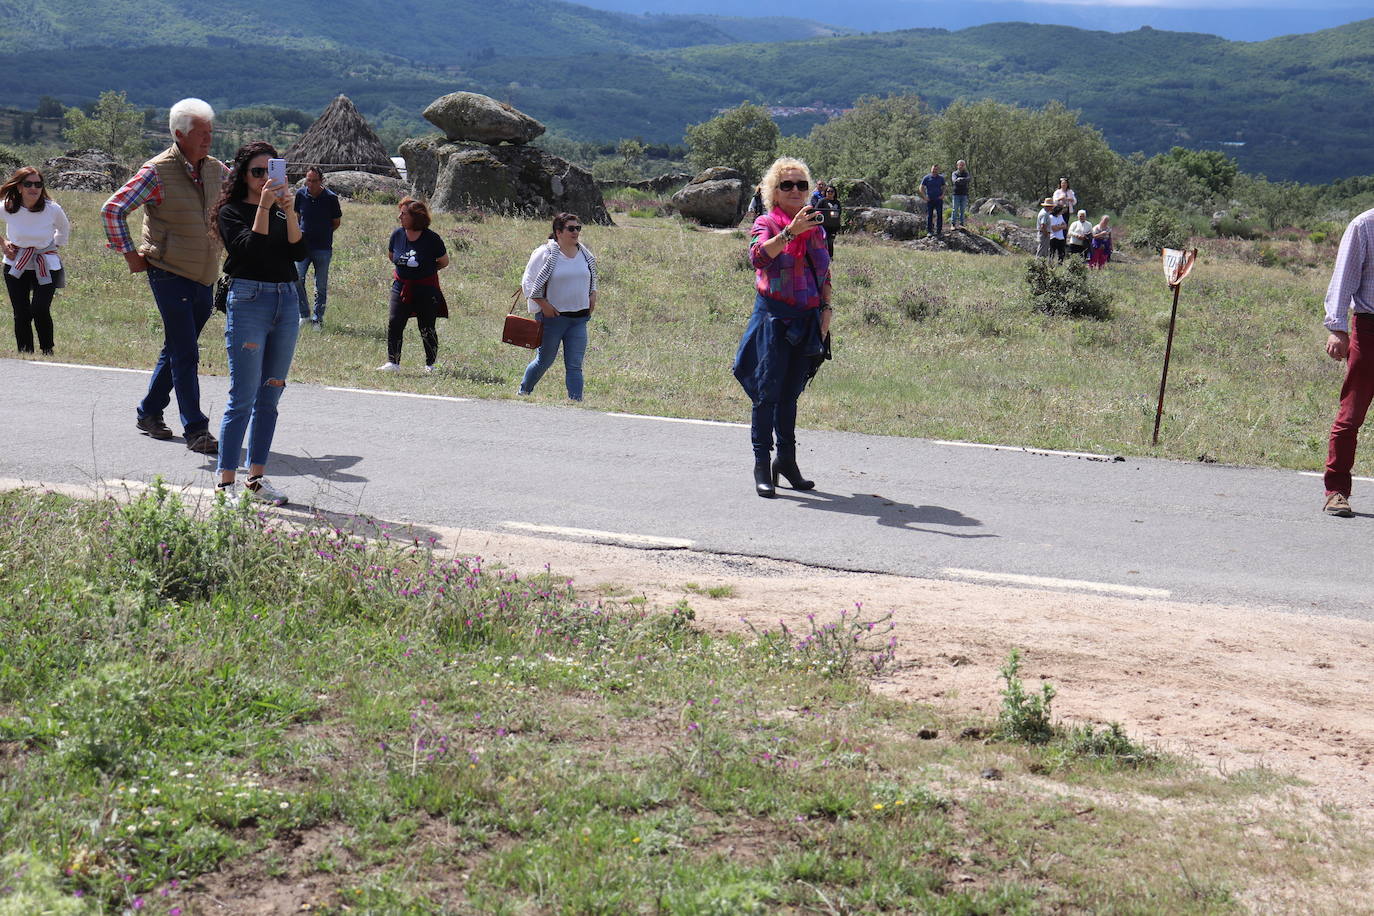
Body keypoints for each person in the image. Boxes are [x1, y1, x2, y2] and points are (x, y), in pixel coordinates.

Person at [101, 98, 223, 455]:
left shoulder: (216, 169)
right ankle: (196, 429)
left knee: (176, 347)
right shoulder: (156, 171)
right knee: (186, 351)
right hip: (168, 272)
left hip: (204, 274)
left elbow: (236, 202)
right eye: (201, 133)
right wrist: (129, 255)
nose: (207, 139)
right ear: (179, 134)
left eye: (210, 133)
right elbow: (112, 210)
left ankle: (149, 411)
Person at [210, 141, 307, 506]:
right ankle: (225, 483)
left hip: (285, 298)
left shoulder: (282, 210)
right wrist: (264, 206)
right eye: (257, 171)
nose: (265, 177)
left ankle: (256, 478)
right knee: (243, 396)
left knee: (271, 395)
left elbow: (299, 252)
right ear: (243, 175)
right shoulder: (231, 211)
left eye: (271, 170)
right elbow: (248, 248)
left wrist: (290, 210)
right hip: (249, 299)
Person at [733, 157, 832, 499]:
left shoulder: (817, 227)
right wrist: (790, 233)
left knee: (790, 394)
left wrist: (827, 310)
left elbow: (824, 271)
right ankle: (762, 465)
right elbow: (758, 257)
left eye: (801, 184)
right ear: (773, 192)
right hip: (773, 319)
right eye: (786, 185)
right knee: (766, 395)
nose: (795, 190)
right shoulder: (766, 222)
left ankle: (786, 462)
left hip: (806, 319)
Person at [1321, 206, 1374, 517]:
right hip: (1369, 329)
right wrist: (1338, 328)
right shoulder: (1365, 225)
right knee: (1351, 413)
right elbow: (1344, 277)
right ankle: (1336, 491)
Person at [518, 212, 599, 400]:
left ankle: (576, 401)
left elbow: (591, 278)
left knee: (574, 365)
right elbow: (528, 283)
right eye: (571, 228)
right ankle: (523, 391)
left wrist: (593, 295)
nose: (575, 232)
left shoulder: (585, 255)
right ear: (558, 232)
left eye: (578, 228)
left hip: (579, 319)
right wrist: (543, 304)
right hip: (553, 319)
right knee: (544, 361)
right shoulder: (545, 254)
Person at [1, 167, 69, 355]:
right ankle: (26, 353)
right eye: (28, 184)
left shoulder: (51, 208)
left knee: (40, 308)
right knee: (21, 312)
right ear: (19, 187)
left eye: (38, 184)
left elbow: (64, 228)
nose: (34, 188)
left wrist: (54, 246)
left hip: (46, 264)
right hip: (15, 264)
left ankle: (47, 349)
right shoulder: (8, 206)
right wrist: (4, 244)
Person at [379, 198, 449, 373]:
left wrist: (426, 272)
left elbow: (443, 261)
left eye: (403, 214)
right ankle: (393, 363)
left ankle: (431, 364)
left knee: (427, 327)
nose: (399, 216)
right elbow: (391, 255)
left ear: (416, 217)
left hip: (426, 288)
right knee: (395, 322)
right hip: (401, 287)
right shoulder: (397, 235)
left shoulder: (432, 239)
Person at [294, 166, 342, 328]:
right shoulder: (300, 194)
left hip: (322, 247)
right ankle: (304, 314)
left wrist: (323, 232)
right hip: (302, 246)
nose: (311, 184)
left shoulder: (331, 198)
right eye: (309, 180)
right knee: (296, 279)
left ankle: (318, 319)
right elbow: (298, 217)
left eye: (314, 181)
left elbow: (336, 222)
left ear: (321, 181)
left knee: (320, 285)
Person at [816, 183, 842, 260]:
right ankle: (822, 257)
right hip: (823, 225)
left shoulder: (837, 203)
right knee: (824, 241)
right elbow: (816, 211)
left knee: (830, 241)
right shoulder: (822, 201)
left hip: (833, 225)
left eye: (832, 191)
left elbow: (840, 212)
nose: (830, 193)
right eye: (828, 191)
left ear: (834, 193)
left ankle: (830, 257)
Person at [919, 164, 945, 236]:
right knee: (929, 215)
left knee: (939, 215)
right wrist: (924, 197)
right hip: (930, 200)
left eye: (936, 169)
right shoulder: (926, 178)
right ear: (931, 169)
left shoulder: (941, 178)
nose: (934, 170)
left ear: (938, 170)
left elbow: (944, 186)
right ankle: (929, 231)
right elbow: (921, 187)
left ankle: (939, 231)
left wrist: (943, 195)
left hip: (938, 200)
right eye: (933, 169)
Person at [950, 159, 971, 228]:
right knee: (955, 209)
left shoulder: (966, 173)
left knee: (962, 210)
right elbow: (955, 181)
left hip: (964, 194)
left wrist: (960, 179)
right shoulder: (954, 173)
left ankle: (962, 224)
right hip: (956, 194)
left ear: (964, 166)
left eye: (962, 165)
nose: (961, 166)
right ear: (957, 166)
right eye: (960, 165)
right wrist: (961, 180)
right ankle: (953, 224)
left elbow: (968, 179)